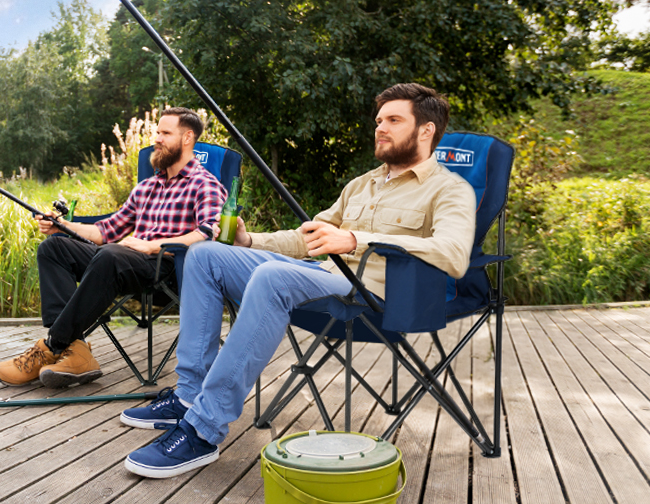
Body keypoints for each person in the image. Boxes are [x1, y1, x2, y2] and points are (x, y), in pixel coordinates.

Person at [120, 83, 476, 478]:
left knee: (273, 277)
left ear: (425, 130)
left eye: (394, 120)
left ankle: (203, 429)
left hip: (378, 295)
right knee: (206, 255)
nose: (380, 128)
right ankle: (188, 397)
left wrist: (357, 239)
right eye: (379, 120)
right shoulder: (362, 185)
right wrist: (250, 240)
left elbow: (454, 254)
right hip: (322, 276)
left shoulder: (449, 188)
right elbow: (309, 238)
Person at [0, 107, 228, 389]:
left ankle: (51, 346)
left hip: (169, 268)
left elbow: (208, 233)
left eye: (166, 133)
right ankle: (76, 351)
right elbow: (106, 230)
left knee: (111, 255)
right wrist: (63, 226)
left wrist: (152, 245)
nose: (158, 139)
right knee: (54, 248)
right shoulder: (147, 188)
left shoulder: (205, 185)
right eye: (157, 132)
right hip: (125, 261)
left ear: (187, 138)